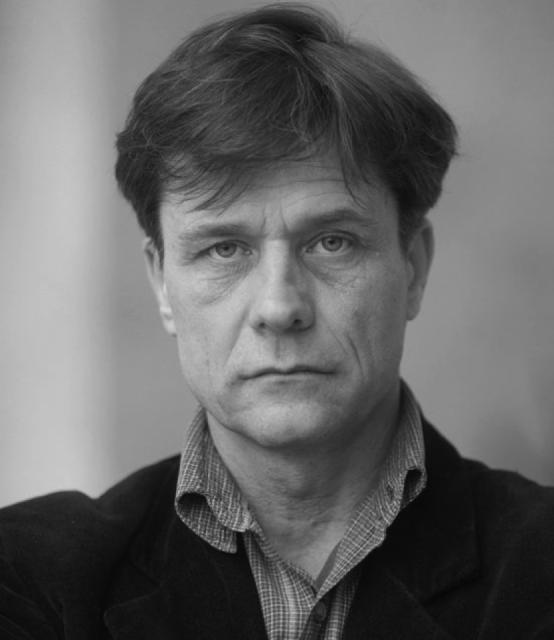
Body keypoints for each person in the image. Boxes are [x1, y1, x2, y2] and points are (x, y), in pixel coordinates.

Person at [1, 3, 553, 638]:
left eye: (332, 243)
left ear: (414, 267)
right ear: (161, 282)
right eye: (223, 249)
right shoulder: (27, 576)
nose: (279, 307)